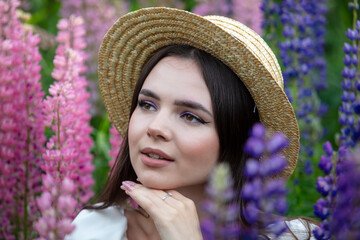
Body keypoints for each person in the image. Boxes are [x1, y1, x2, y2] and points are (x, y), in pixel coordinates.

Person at [66, 7, 316, 240]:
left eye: (190, 116)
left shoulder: (298, 236)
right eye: (147, 105)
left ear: (243, 139)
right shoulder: (94, 228)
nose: (155, 128)